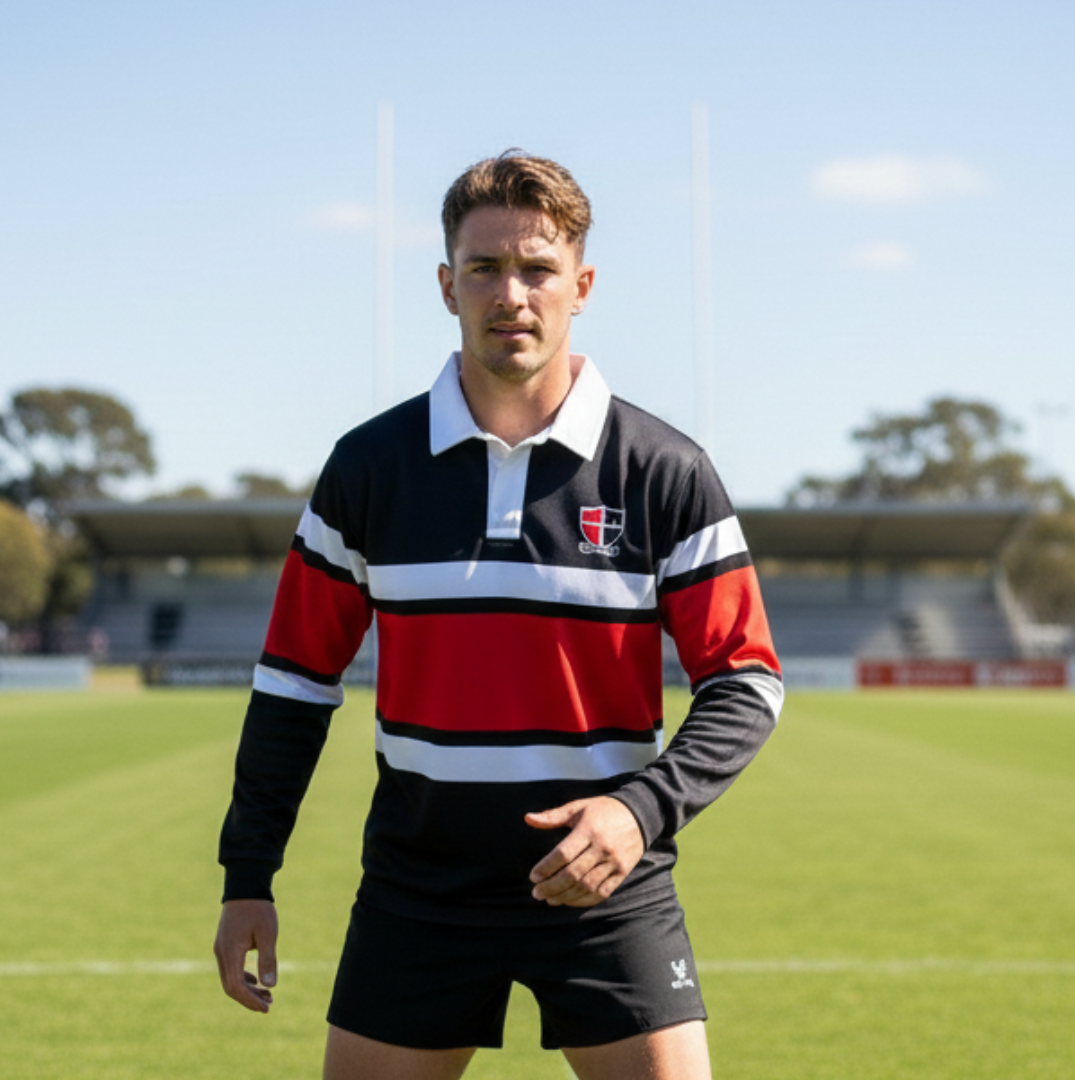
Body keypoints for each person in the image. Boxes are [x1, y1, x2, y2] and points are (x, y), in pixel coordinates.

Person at [214, 151, 782, 1080]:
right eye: (483, 268)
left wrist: (641, 813)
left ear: (582, 285)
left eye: (537, 269)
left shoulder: (664, 469)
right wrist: (248, 876)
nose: (510, 293)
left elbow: (746, 679)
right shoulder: (370, 467)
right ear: (447, 285)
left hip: (608, 886)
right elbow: (294, 683)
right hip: (418, 888)